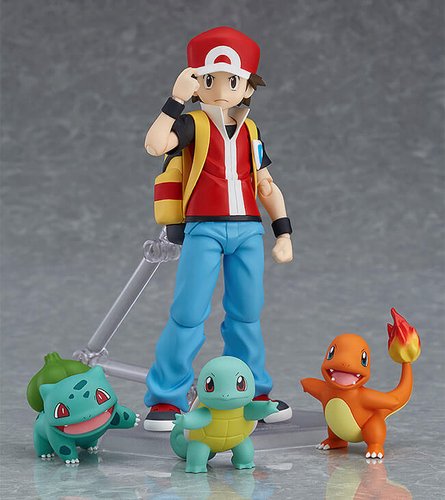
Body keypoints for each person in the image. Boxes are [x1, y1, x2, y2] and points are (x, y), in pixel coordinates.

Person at [144, 27, 294, 431]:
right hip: (204, 229)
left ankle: (252, 392)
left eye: (233, 81)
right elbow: (155, 145)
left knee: (247, 315)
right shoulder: (192, 124)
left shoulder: (251, 130)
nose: (222, 90)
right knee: (188, 313)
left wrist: (283, 232)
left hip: (248, 231)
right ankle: (166, 398)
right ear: (196, 82)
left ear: (247, 86)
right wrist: (174, 100)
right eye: (209, 79)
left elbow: (266, 184)